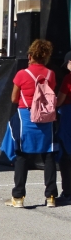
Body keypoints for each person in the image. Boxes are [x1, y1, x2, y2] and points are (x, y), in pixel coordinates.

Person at [1, 39, 58, 208]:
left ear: (31, 55)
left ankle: (18, 197)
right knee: (48, 155)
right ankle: (51, 196)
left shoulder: (22, 74)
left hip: (26, 116)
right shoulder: (50, 74)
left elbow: (13, 98)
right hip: (46, 118)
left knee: (22, 155)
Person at [55, 50, 71, 205]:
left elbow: (59, 101)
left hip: (68, 118)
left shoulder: (68, 78)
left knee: (66, 158)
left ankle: (68, 193)